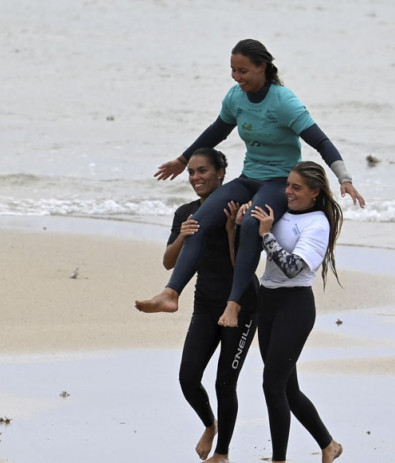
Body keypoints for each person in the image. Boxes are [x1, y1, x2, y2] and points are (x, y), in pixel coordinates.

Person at [136, 39, 365, 328]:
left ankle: (233, 305)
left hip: (279, 180)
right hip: (249, 177)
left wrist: (344, 178)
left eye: (243, 70)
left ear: (263, 67)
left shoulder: (284, 102)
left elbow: (320, 141)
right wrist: (183, 160)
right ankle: (171, 293)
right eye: (233, 70)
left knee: (252, 224)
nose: (237, 77)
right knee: (198, 221)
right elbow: (217, 130)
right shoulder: (235, 97)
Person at [137, 147, 257, 463]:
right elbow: (168, 262)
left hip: (241, 304)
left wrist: (233, 229)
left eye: (202, 171)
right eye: (191, 172)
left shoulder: (241, 209)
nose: (195, 177)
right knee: (188, 377)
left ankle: (223, 453)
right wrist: (183, 235)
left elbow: (242, 267)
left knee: (224, 383)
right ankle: (210, 424)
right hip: (205, 303)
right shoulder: (186, 212)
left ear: (221, 174)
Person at [244, 161, 343, 463]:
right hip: (268, 303)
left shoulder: (318, 223)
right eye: (287, 184)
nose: (288, 191)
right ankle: (329, 445)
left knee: (272, 383)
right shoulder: (282, 212)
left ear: (314, 192)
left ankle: (279, 460)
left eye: (296, 187)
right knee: (287, 386)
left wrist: (265, 233)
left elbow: (290, 268)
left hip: (295, 306)